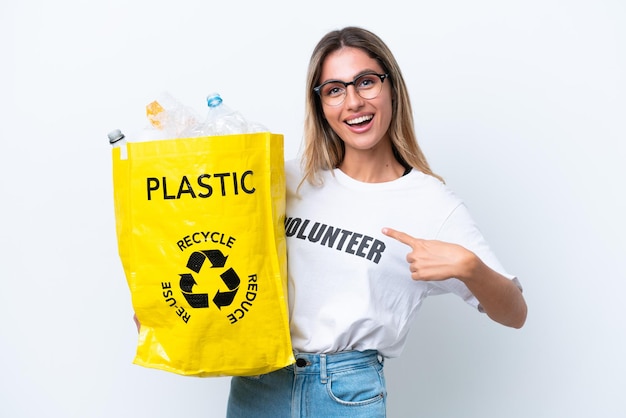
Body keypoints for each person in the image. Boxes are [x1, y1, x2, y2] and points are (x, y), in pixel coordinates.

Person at [227, 25, 527, 417]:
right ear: (320, 104)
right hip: (259, 384)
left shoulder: (431, 204)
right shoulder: (286, 180)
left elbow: (515, 313)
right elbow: (229, 254)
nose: (353, 102)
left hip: (346, 394)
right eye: (334, 89)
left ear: (391, 89)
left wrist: (470, 268)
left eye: (365, 82)